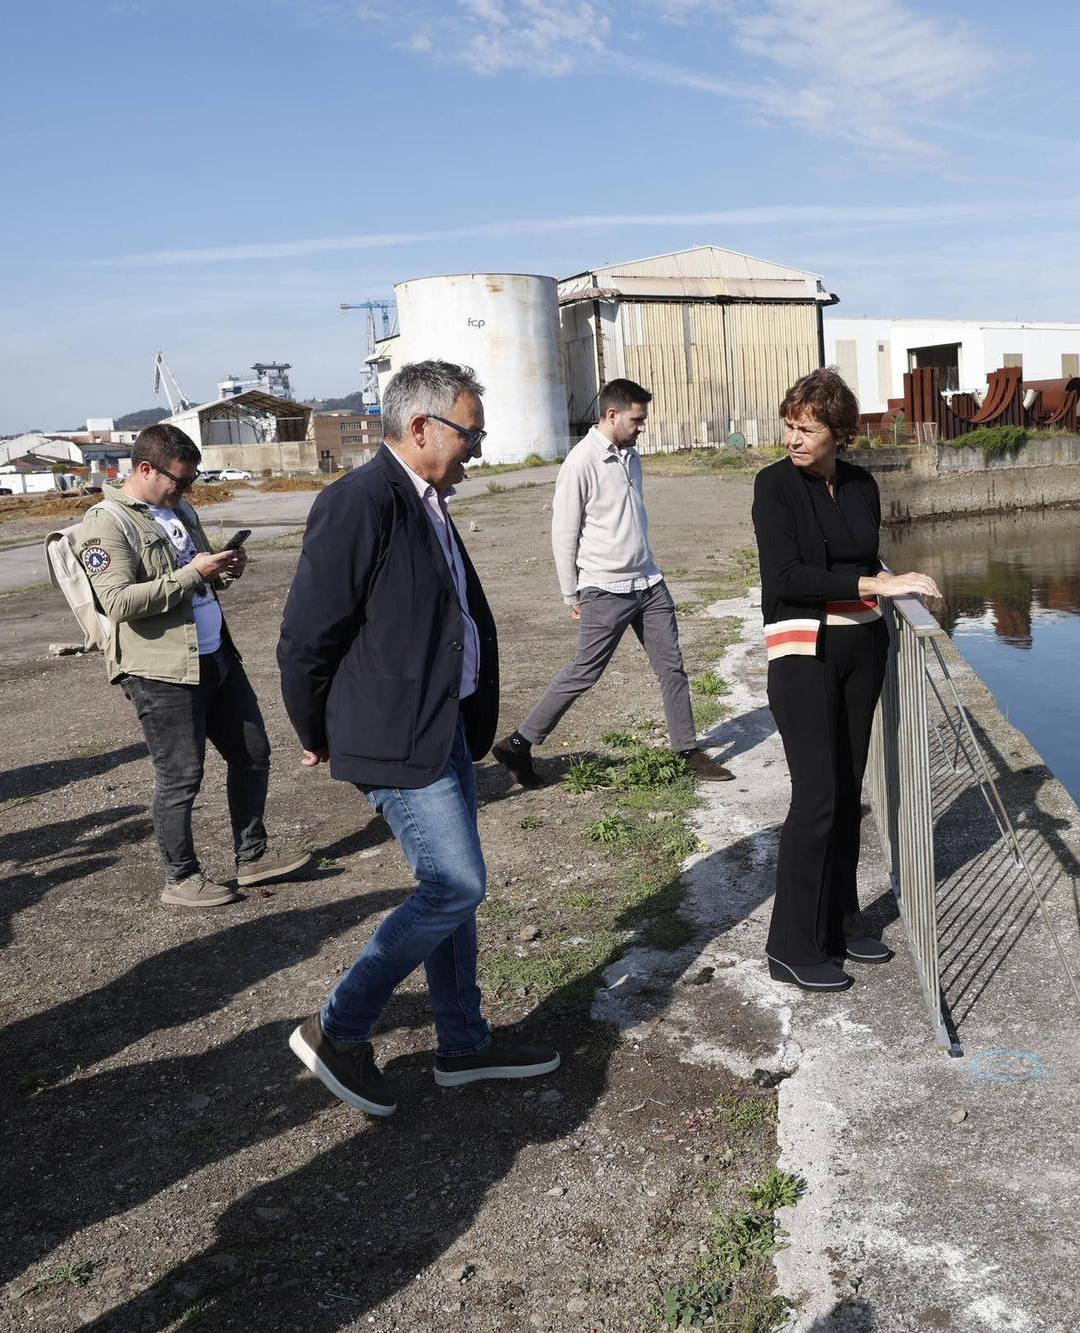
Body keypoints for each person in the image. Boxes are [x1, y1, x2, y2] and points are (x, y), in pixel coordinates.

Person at [278, 360, 557, 1117]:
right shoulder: (359, 501)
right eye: (472, 433)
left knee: (451, 894)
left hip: (442, 726)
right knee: (455, 885)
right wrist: (315, 729)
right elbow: (305, 636)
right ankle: (337, 1029)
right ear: (423, 427)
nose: (479, 447)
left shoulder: (426, 498)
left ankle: (463, 1043)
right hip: (392, 734)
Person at [751, 368, 940, 992]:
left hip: (863, 647)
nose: (793, 439)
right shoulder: (774, 486)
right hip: (804, 652)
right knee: (817, 795)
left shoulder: (861, 484)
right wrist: (877, 584)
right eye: (790, 426)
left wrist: (888, 580)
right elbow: (786, 577)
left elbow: (863, 554)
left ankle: (840, 921)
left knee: (848, 792)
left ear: (839, 433)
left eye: (807, 429)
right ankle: (790, 945)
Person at [82, 424, 309, 908]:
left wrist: (223, 570)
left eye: (191, 481)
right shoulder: (106, 522)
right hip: (162, 670)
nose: (185, 489)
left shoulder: (180, 510)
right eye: (179, 480)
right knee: (181, 776)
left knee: (252, 754)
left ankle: (252, 857)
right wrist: (193, 573)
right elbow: (117, 602)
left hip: (216, 653)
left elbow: (199, 577)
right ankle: (181, 878)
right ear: (146, 469)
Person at [492, 378, 733, 786]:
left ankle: (688, 750)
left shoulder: (631, 455)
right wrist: (570, 591)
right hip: (605, 588)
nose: (642, 427)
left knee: (672, 668)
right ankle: (518, 744)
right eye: (637, 420)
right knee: (585, 671)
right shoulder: (580, 462)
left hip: (649, 583)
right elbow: (564, 532)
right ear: (612, 415)